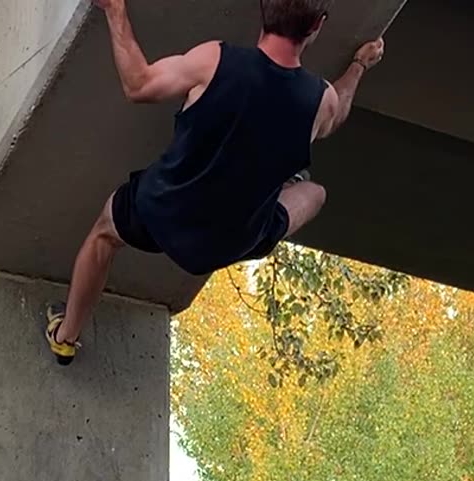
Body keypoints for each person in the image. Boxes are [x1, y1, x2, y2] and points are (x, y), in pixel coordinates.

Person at [45, 0, 386, 365]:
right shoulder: (323, 101)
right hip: (231, 240)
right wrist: (358, 65)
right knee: (314, 193)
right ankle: (279, 178)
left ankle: (65, 338)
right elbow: (337, 115)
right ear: (318, 25)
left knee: (103, 234)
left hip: (161, 212)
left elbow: (137, 84)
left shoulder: (215, 61)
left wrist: (116, 11)